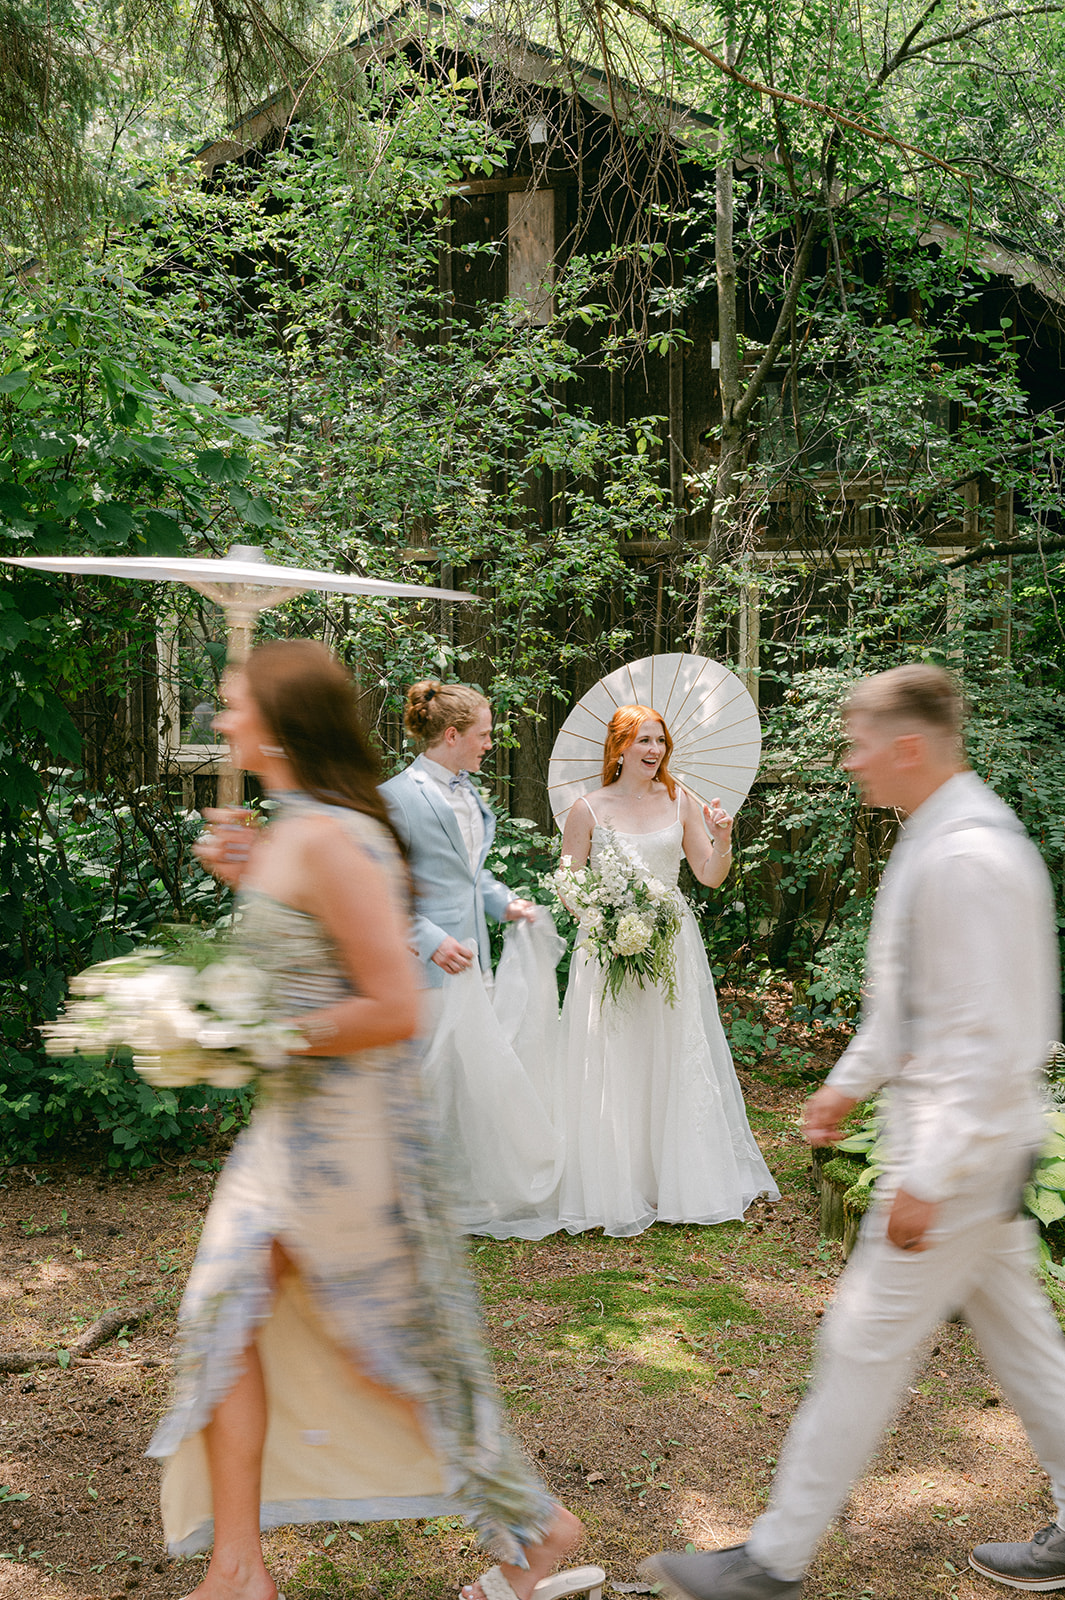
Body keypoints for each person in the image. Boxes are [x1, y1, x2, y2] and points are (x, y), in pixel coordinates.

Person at [150, 641, 601, 1600]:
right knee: (225, 1320)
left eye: (232, 706)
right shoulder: (302, 828)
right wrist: (249, 881)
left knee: (387, 1347)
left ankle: (537, 1528)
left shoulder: (332, 835)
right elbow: (310, 947)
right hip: (291, 1130)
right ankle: (238, 1570)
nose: (222, 722)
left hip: (344, 1142)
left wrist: (255, 1032)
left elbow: (392, 1006)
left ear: (275, 725)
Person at [641, 663, 1065, 1600]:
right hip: (969, 1148)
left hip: (958, 1152)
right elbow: (911, 999)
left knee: (859, 1345)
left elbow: (991, 1041)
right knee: (1026, 1344)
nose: (849, 761)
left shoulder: (967, 857)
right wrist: (844, 1086)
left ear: (907, 747)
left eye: (858, 742)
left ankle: (774, 1559)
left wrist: (931, 1174)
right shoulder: (935, 836)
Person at [555, 703, 779, 1237]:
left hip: (670, 942)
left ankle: (678, 1178)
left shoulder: (682, 802)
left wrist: (723, 839)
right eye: (643, 741)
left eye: (660, 741)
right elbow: (568, 885)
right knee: (615, 1050)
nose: (654, 751)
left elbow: (708, 875)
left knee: (671, 1047)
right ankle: (618, 1179)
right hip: (608, 943)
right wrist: (608, 915)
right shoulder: (586, 809)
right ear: (619, 748)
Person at [381, 680, 565, 1238]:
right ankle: (397, 1203)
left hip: (472, 958)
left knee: (463, 1078)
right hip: (423, 965)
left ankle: (450, 1192)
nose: (491, 743)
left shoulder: (471, 794)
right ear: (454, 734)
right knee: (420, 1079)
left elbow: (468, 873)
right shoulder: (395, 797)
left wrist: (505, 903)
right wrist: (429, 938)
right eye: (484, 734)